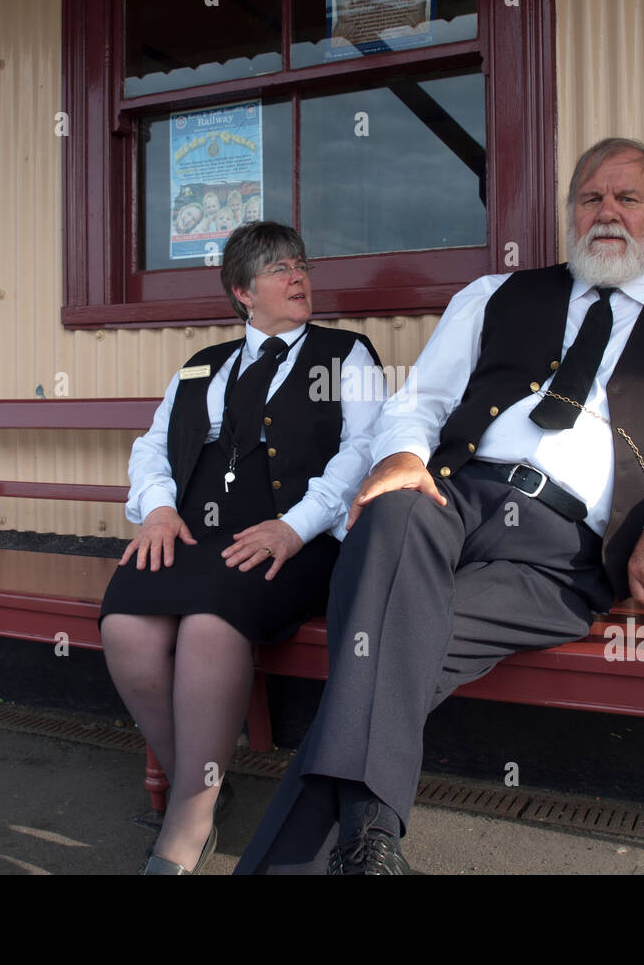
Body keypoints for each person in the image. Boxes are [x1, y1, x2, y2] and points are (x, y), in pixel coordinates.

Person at [234, 137, 644, 874]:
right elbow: (420, 400)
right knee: (394, 508)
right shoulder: (493, 294)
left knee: (384, 651)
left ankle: (362, 839)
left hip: (562, 555)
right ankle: (371, 847)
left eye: (627, 198)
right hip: (454, 497)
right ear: (570, 213)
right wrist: (403, 452)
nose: (606, 213)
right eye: (590, 197)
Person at [100, 221, 385, 875]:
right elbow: (152, 446)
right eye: (279, 268)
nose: (298, 276)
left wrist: (296, 524)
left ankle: (189, 821)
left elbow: (364, 450)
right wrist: (160, 510)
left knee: (208, 624)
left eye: (301, 264)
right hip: (197, 535)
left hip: (296, 542)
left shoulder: (349, 354)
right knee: (126, 626)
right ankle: (202, 778)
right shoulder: (202, 364)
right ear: (242, 291)